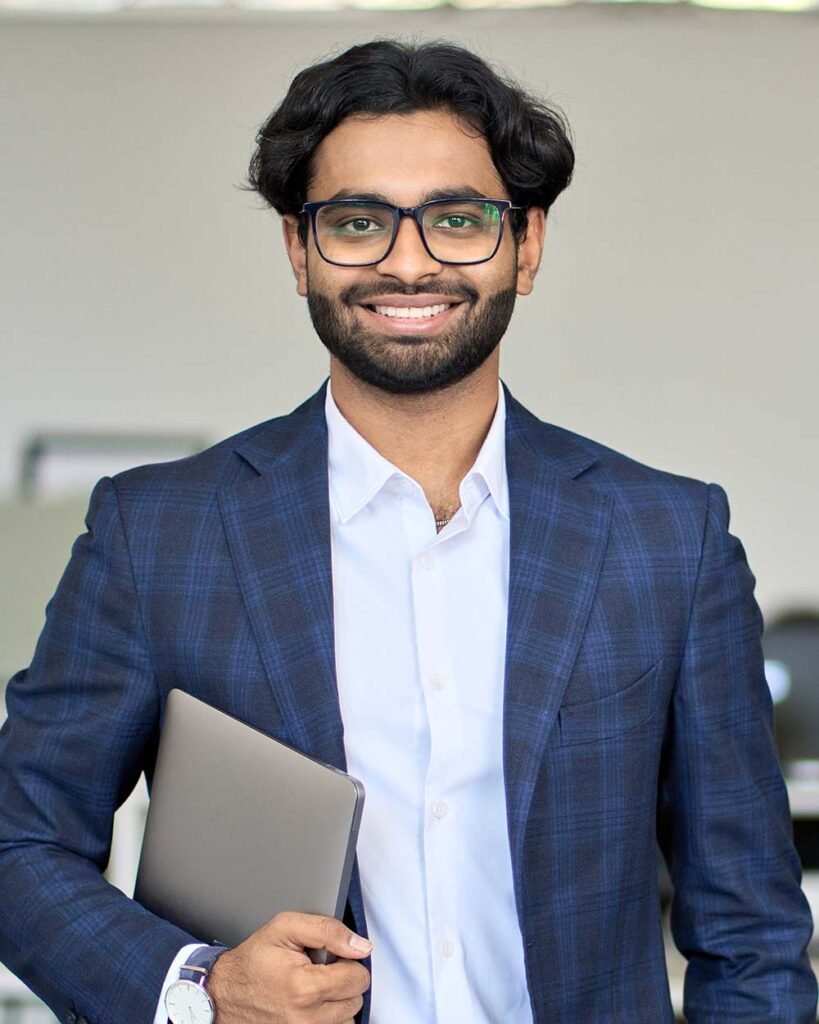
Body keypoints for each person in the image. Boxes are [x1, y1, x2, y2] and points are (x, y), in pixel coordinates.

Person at [0, 38, 816, 1024]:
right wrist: (200, 988)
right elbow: (20, 844)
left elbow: (752, 938)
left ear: (528, 242)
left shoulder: (668, 541)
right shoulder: (159, 534)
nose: (408, 261)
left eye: (457, 219)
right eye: (357, 222)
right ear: (300, 252)